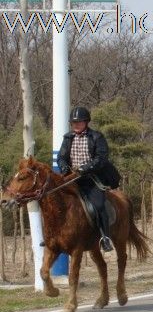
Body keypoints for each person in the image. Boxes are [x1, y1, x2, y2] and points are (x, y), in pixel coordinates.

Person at [57, 107, 121, 252]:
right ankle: (53, 236)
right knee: (55, 201)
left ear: (86, 122)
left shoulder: (96, 137)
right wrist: (64, 167)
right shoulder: (68, 138)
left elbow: (101, 158)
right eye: (74, 123)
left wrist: (85, 168)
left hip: (92, 179)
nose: (76, 125)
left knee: (98, 205)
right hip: (71, 179)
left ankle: (105, 237)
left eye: (79, 122)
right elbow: (61, 157)